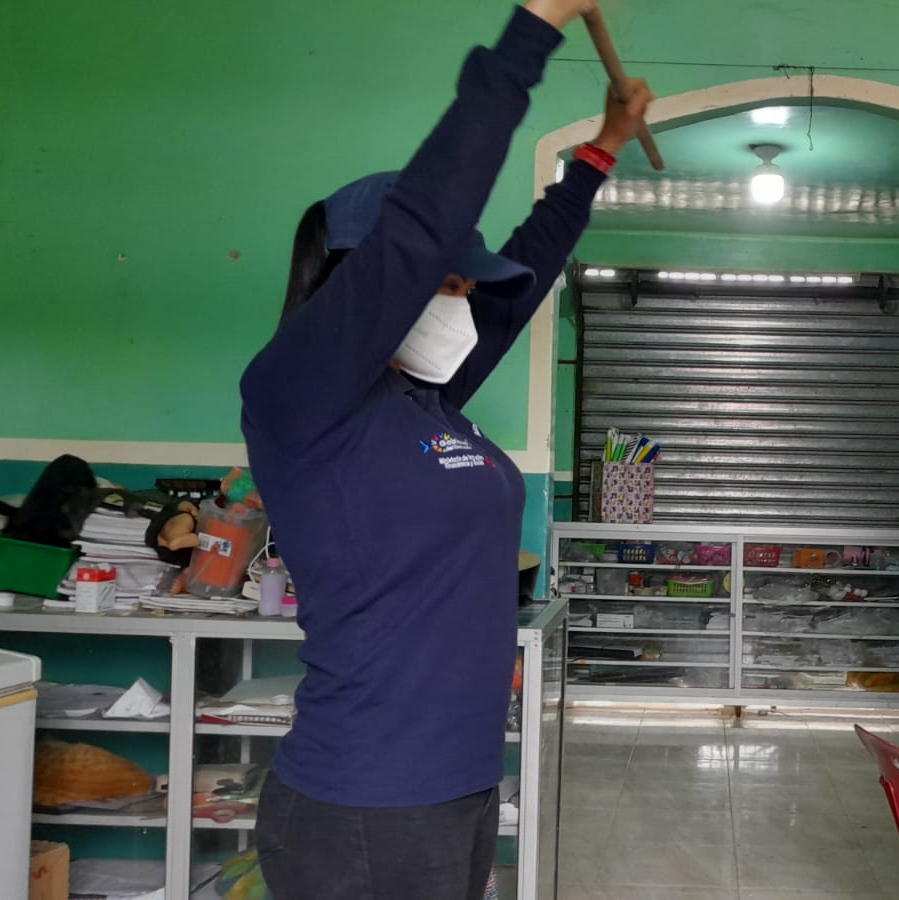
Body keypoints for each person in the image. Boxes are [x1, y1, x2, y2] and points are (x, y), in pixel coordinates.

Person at [239, 2, 653, 897]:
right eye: (449, 280)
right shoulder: (299, 397)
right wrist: (536, 27)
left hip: (453, 790)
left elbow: (526, 271)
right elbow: (424, 220)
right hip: (364, 803)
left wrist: (601, 152)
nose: (464, 300)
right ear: (366, 281)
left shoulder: (428, 402)